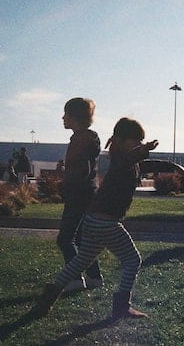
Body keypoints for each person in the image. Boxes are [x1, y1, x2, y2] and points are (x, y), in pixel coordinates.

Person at [30, 117, 158, 320]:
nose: (140, 145)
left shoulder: (127, 161)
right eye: (136, 140)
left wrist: (175, 167)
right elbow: (132, 158)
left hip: (92, 220)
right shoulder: (121, 159)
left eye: (141, 141)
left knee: (80, 261)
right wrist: (142, 151)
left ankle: (48, 298)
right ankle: (121, 307)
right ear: (122, 140)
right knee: (133, 260)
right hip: (105, 222)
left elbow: (147, 161)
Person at [57, 97, 103, 293]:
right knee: (82, 239)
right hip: (89, 193)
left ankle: (75, 279)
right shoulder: (90, 137)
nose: (62, 117)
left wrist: (67, 186)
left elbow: (81, 170)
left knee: (65, 239)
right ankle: (94, 277)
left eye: (66, 114)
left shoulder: (79, 139)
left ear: (75, 117)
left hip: (78, 194)